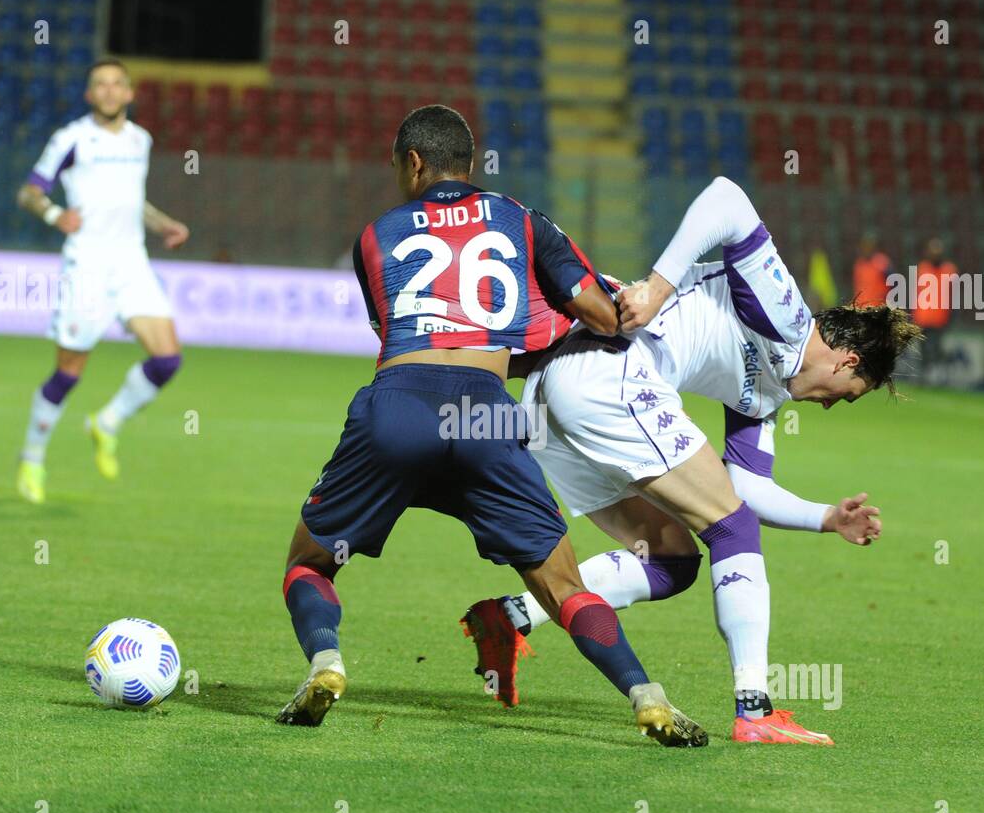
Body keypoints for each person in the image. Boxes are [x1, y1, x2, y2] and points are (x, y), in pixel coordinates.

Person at [276, 105, 707, 747]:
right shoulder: (523, 221)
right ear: (471, 166)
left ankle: (326, 664)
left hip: (398, 405)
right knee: (562, 587)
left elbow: (392, 331)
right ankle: (647, 696)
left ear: (414, 163)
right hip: (483, 410)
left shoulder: (376, 234)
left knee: (308, 564)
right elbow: (603, 314)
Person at [460, 177, 922, 744]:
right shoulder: (789, 318)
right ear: (847, 362)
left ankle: (511, 616)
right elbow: (727, 199)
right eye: (845, 394)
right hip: (610, 375)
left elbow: (747, 485)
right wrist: (656, 287)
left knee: (672, 559)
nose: (829, 406)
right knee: (732, 529)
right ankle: (755, 712)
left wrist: (825, 517)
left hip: (557, 402)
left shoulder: (769, 393)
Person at [14, 59, 190, 504]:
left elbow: (132, 199)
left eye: (117, 84)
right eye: (100, 85)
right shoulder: (71, 139)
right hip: (87, 265)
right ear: (90, 95)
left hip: (131, 262)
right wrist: (55, 214)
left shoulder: (140, 140)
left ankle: (107, 422)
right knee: (68, 373)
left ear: (129, 94)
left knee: (168, 359)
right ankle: (32, 458)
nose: (109, 91)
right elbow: (29, 192)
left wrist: (163, 223)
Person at [914, 237, 957, 379]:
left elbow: (954, 294)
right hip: (922, 317)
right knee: (923, 350)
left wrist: (952, 315)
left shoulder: (949, 270)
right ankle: (924, 377)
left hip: (940, 318)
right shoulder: (922, 268)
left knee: (935, 349)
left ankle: (938, 376)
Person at [851, 231, 892, 307]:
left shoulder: (881, 262)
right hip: (861, 309)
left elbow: (894, 284)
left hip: (878, 309)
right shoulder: (859, 265)